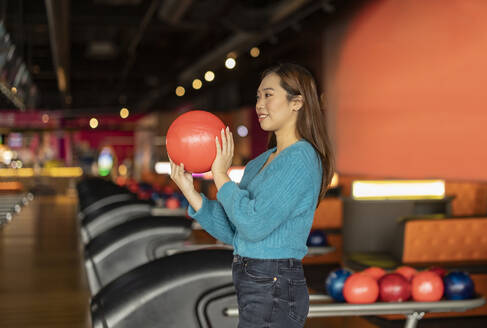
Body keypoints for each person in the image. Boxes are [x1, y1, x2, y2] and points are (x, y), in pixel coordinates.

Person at [169, 63, 335, 328]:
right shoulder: (258, 163)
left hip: (276, 284)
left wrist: (221, 176)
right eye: (258, 96)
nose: (259, 104)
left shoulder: (302, 158)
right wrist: (191, 192)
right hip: (255, 281)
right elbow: (237, 231)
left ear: (297, 102)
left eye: (268, 95)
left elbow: (254, 225)